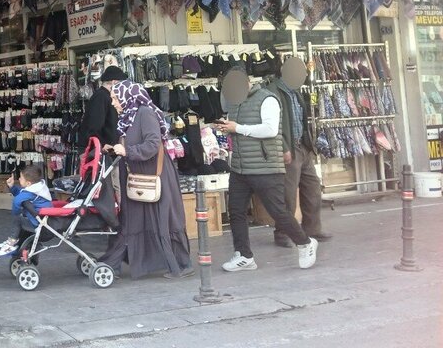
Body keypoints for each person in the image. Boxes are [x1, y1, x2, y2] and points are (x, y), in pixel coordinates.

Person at [214, 66, 319, 272]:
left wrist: (238, 128)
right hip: (240, 167)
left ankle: (305, 243)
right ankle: (244, 255)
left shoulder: (267, 99)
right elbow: (240, 130)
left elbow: (270, 130)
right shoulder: (235, 103)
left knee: (278, 211)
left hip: (265, 166)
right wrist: (227, 128)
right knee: (236, 211)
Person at [98, 80, 194, 279]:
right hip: (137, 177)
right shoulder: (128, 117)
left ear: (128, 96)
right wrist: (115, 148)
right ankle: (112, 264)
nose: (113, 103)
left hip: (155, 176)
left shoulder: (144, 113)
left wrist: (127, 151)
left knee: (165, 220)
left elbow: (152, 144)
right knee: (132, 220)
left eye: (115, 98)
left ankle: (182, 265)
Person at [268, 58, 332, 246]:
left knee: (313, 187)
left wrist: (308, 144)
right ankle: (283, 234)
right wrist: (284, 148)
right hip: (289, 148)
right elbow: (274, 124)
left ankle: (312, 229)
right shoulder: (273, 92)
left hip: (302, 146)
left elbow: (301, 120)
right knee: (288, 195)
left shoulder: (294, 91)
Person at [0, 165, 52, 257]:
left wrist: (16, 213)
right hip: (41, 219)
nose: (19, 178)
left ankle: (12, 241)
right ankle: (16, 242)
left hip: (39, 222)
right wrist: (12, 187)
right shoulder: (38, 188)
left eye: (21, 178)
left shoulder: (31, 192)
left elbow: (17, 200)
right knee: (21, 219)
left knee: (18, 219)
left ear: (28, 183)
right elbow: (22, 194)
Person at [79, 62, 126, 150]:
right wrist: (102, 144)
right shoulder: (101, 96)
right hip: (100, 150)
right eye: (121, 83)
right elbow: (93, 124)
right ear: (114, 82)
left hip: (107, 148)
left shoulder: (106, 95)